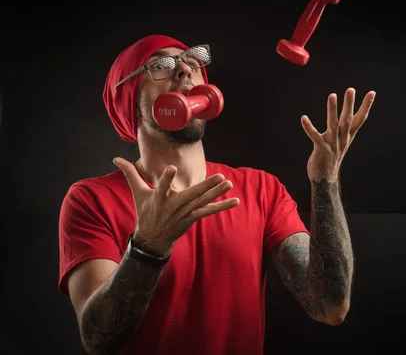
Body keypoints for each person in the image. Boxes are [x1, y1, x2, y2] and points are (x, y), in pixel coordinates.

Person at [57, 34, 376, 355]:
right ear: (129, 99)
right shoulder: (91, 199)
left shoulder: (262, 189)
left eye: (192, 63)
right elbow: (98, 340)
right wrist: (146, 249)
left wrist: (326, 181)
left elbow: (330, 307)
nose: (184, 70)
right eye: (160, 65)